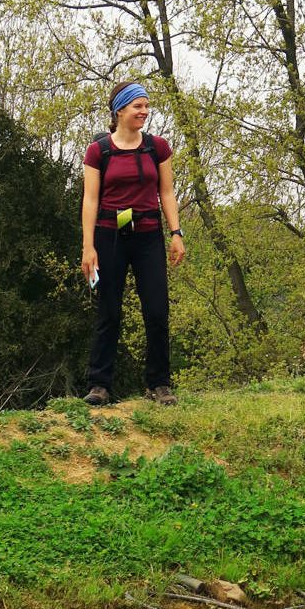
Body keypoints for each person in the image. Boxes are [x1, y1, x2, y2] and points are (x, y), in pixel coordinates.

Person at [80, 81, 186, 407]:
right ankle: (100, 385)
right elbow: (90, 200)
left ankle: (159, 384)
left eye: (146, 106)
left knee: (156, 310)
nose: (144, 111)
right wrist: (88, 246)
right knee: (109, 311)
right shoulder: (99, 151)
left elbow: (166, 192)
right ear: (120, 111)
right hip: (108, 236)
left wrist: (176, 233)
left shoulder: (158, 148)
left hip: (148, 236)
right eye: (138, 106)